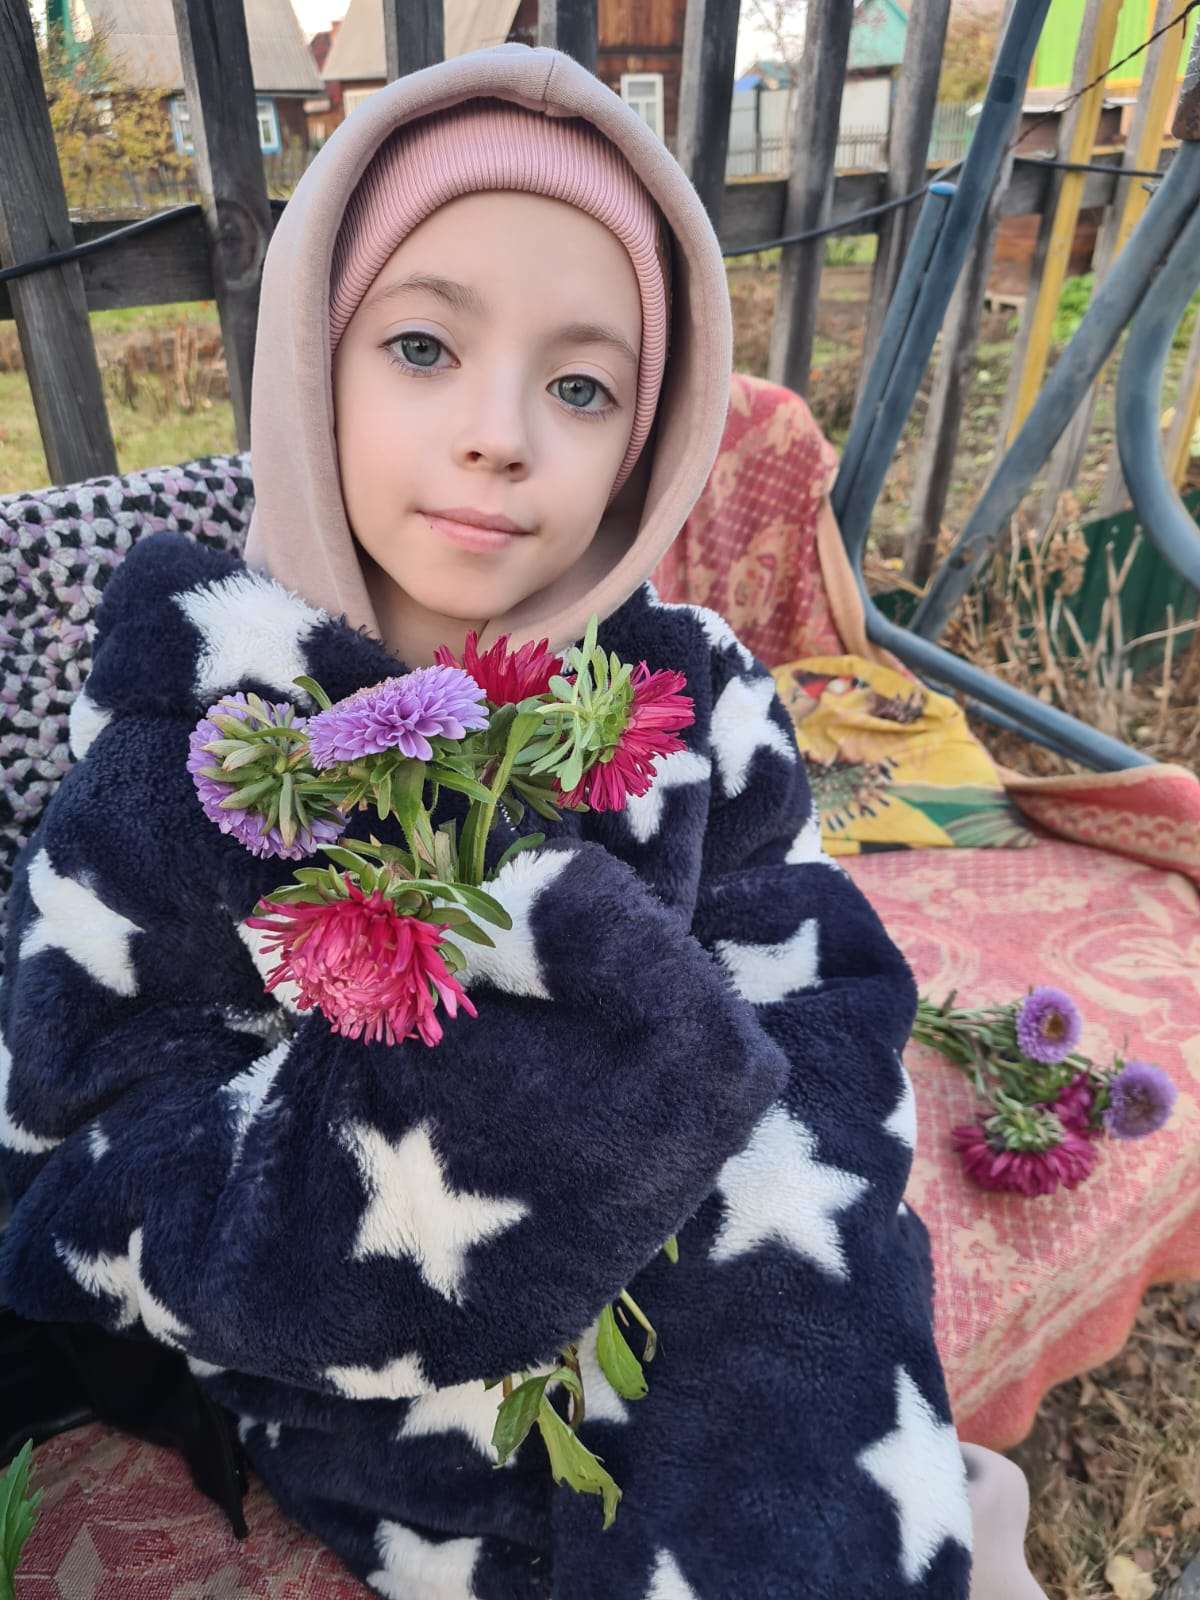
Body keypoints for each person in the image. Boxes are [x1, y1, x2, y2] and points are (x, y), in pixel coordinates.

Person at [0, 43, 1045, 1600]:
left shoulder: (689, 697)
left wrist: (747, 1188)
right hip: (399, 1386)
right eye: (423, 347)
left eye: (579, 385)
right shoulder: (201, 752)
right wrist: (514, 1131)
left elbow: (822, 993)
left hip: (743, 1327)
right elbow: (90, 1170)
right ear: (313, 364)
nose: (502, 433)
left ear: (648, 435)